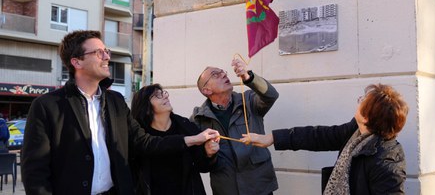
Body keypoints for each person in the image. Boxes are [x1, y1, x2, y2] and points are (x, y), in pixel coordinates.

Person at [21, 30, 219, 195]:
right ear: (77, 62)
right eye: (99, 53)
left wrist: (193, 139)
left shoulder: (116, 102)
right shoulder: (47, 106)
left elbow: (144, 142)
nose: (107, 56)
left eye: (106, 51)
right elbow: (35, 172)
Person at [242, 84, 409, 195]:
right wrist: (272, 138)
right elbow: (319, 136)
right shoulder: (356, 132)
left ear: (366, 118)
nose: (358, 102)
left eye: (361, 101)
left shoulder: (387, 161)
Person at [191, 58, 279, 195]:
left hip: (259, 188)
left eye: (223, 72)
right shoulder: (198, 119)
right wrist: (208, 154)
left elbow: (271, 95)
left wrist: (249, 77)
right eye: (215, 74)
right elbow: (199, 164)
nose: (223, 75)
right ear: (207, 90)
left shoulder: (249, 101)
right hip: (226, 190)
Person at [130, 84, 220, 195]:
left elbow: (203, 166)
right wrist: (192, 140)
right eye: (157, 95)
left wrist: (209, 153)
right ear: (146, 107)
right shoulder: (140, 136)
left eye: (163, 93)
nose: (165, 96)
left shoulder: (185, 126)